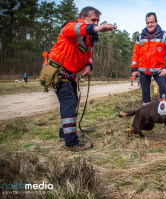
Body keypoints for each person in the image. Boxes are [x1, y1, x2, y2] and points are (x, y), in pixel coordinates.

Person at [43, 6, 116, 151]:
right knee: (69, 104)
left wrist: (89, 65)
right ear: (83, 18)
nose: (96, 23)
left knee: (72, 104)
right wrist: (96, 29)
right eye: (93, 20)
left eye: (98, 21)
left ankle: (65, 133)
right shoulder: (71, 27)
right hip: (58, 72)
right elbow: (77, 29)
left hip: (70, 75)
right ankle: (72, 143)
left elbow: (88, 55)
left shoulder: (89, 39)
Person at [130, 12, 166, 105]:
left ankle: (164, 110)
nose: (149, 25)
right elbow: (136, 54)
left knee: (164, 89)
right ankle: (147, 112)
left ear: (156, 22)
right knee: (145, 93)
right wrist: (134, 69)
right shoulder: (140, 37)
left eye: (152, 22)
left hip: (159, 70)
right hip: (144, 71)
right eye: (147, 23)